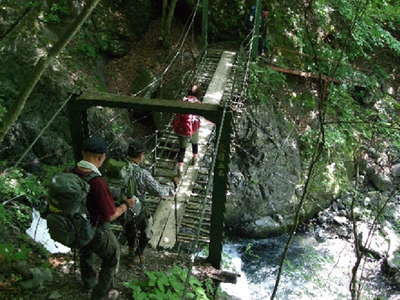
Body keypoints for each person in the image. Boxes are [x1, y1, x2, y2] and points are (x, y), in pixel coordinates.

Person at [74, 136, 135, 300]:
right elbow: (110, 215)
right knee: (112, 256)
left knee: (85, 250)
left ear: (82, 153)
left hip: (77, 224)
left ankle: (88, 281)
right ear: (101, 157)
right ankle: (100, 294)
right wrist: (126, 205)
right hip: (95, 227)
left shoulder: (71, 172)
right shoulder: (98, 182)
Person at [123, 141, 179, 265]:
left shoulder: (117, 166)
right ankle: (138, 254)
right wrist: (173, 185)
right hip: (135, 207)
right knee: (147, 230)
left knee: (129, 228)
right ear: (141, 155)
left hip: (117, 206)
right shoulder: (142, 174)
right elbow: (160, 192)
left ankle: (130, 250)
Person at [172, 85, 202, 177]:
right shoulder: (198, 103)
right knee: (195, 143)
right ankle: (194, 157)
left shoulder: (183, 100)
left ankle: (180, 168)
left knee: (182, 148)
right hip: (193, 127)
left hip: (181, 128)